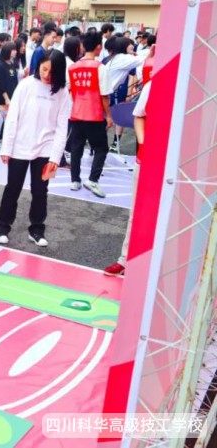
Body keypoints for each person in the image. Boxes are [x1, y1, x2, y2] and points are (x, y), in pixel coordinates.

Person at [0, 50, 71, 247]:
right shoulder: (26, 85)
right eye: (44, 69)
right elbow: (13, 118)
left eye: (51, 72)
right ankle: (3, 226)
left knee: (40, 191)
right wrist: (7, 148)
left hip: (46, 149)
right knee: (13, 187)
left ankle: (37, 229)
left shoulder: (63, 93)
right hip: (20, 146)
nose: (46, 75)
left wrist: (56, 156)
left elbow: (63, 127)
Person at [104, 79, 151, 277]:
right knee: (138, 212)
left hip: (180, 167)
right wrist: (145, 143)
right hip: (148, 160)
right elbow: (138, 116)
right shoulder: (154, 86)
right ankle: (125, 259)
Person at [67, 31, 114, 198]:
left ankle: (75, 180)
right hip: (94, 115)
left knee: (76, 148)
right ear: (98, 47)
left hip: (77, 113)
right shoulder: (100, 68)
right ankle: (93, 180)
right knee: (101, 148)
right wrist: (108, 116)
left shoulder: (72, 67)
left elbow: (70, 90)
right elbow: (104, 96)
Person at [0, 42, 18, 148]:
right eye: (13, 50)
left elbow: (14, 80)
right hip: (3, 98)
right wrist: (7, 98)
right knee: (2, 119)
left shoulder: (12, 64)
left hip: (13, 95)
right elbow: (0, 84)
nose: (15, 52)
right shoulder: (0, 65)